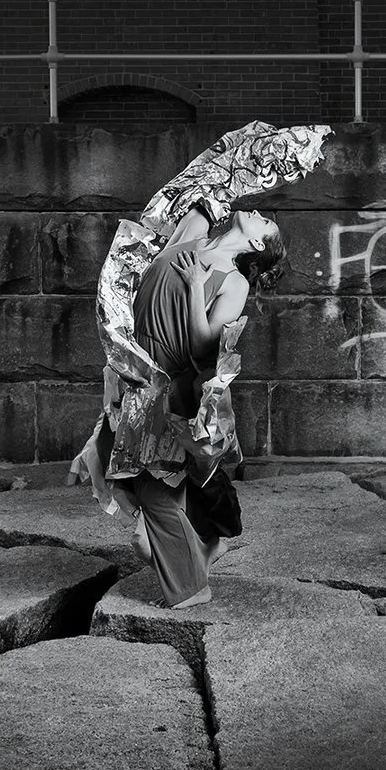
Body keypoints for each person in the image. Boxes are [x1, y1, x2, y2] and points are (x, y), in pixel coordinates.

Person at [124, 206, 286, 609]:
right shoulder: (193, 233)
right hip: (136, 370)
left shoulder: (234, 283)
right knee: (134, 473)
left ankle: (190, 586)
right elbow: (192, 197)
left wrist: (197, 284)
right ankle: (204, 542)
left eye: (265, 222)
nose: (259, 212)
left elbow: (201, 347)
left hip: (169, 386)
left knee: (154, 483)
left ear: (256, 243)